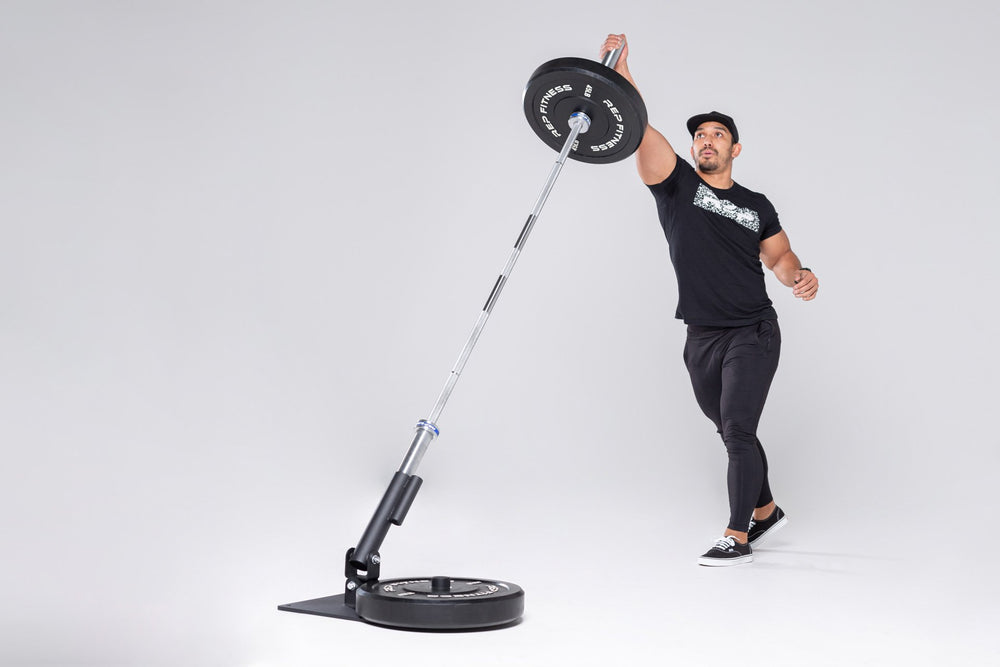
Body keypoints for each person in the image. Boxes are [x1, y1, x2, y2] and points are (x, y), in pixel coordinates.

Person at [600, 34, 819, 566]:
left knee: (739, 429)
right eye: (700, 134)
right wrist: (622, 72)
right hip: (700, 335)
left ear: (734, 149)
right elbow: (638, 130)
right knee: (727, 428)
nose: (707, 141)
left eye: (718, 135)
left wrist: (799, 275)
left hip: (753, 331)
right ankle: (765, 509)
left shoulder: (755, 203)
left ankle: (737, 533)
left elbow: (780, 256)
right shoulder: (675, 185)